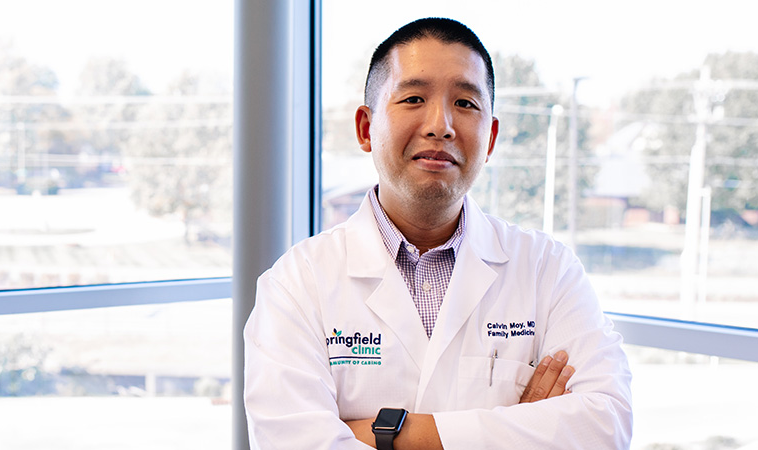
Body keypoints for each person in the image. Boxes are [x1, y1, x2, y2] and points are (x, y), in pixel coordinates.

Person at [244, 17, 632, 449]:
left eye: (466, 104)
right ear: (365, 128)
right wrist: (519, 427)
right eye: (413, 98)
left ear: (491, 137)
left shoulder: (547, 269)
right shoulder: (296, 284)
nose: (441, 124)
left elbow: (605, 424)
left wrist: (392, 436)